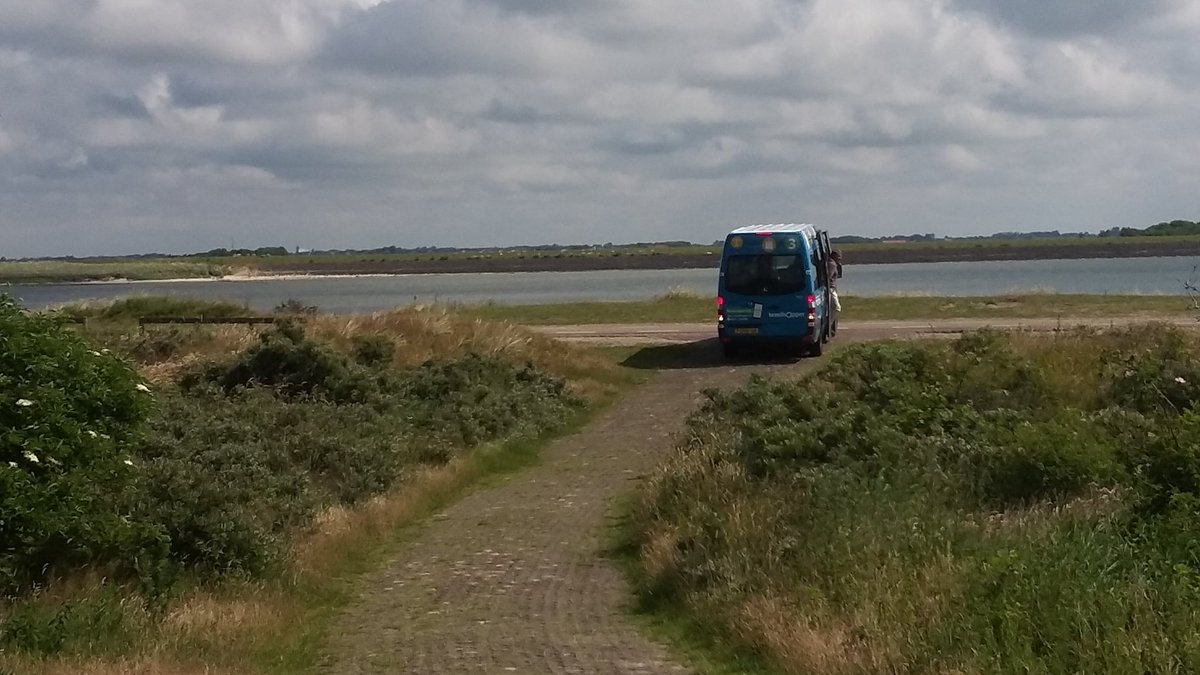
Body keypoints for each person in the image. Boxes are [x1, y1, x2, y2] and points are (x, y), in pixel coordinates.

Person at [827, 250, 842, 335]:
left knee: (833, 308)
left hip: (832, 289)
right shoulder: (832, 264)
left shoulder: (833, 264)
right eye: (839, 256)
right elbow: (828, 277)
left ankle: (830, 326)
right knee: (836, 307)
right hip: (831, 289)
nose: (840, 258)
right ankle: (829, 325)